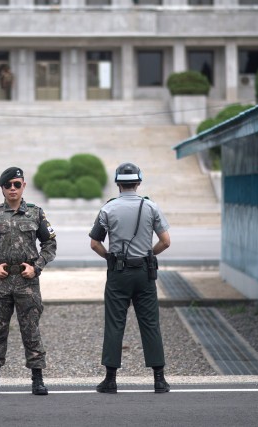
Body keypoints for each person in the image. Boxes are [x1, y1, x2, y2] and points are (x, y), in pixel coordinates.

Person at [0, 167, 57, 396]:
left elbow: (50, 245)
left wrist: (36, 267)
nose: (12, 189)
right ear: (2, 188)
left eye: (17, 184)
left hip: (27, 282)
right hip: (1, 282)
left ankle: (37, 379)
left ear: (23, 186)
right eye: (8, 185)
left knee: (31, 331)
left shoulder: (36, 214)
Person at [88, 162, 171, 393]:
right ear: (139, 182)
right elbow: (166, 241)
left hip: (118, 273)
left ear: (117, 183)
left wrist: (110, 258)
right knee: (150, 323)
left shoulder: (108, 209)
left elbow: (95, 243)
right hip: (145, 273)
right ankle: (159, 380)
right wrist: (148, 255)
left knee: (115, 324)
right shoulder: (151, 207)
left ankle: (111, 380)